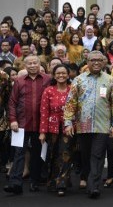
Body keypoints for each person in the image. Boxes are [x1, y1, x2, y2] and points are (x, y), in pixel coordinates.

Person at [63, 51, 113, 199]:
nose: (96, 62)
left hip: (102, 126)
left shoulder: (110, 80)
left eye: (99, 60)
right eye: (92, 60)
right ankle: (88, 178)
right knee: (85, 155)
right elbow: (71, 103)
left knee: (98, 155)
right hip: (83, 126)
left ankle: (94, 186)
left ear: (103, 62)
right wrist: (68, 123)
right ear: (87, 62)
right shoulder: (78, 80)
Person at [4, 55, 51, 194]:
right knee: (19, 154)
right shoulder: (19, 81)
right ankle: (15, 184)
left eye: (34, 63)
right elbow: (12, 102)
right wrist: (12, 120)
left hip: (40, 125)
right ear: (25, 66)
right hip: (20, 124)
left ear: (39, 64)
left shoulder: (47, 79)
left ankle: (34, 182)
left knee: (37, 154)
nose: (32, 65)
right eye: (29, 63)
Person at [39, 64, 71, 196]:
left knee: (65, 155)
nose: (61, 75)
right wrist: (42, 132)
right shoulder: (48, 90)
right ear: (54, 75)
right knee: (52, 156)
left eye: (64, 73)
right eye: (58, 73)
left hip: (68, 128)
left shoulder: (73, 89)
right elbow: (44, 112)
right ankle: (52, 181)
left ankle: (62, 183)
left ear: (68, 75)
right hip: (52, 128)